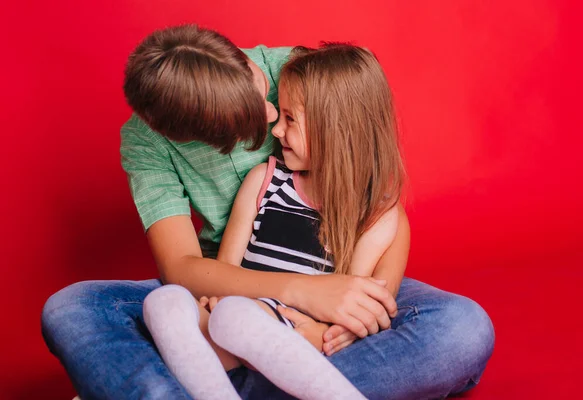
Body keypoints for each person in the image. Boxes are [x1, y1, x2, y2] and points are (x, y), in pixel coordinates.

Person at [41, 25, 495, 400]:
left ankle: (180, 385)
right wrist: (297, 292)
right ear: (194, 133)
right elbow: (181, 268)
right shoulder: (148, 141)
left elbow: (382, 210)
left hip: (336, 271)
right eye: (257, 119)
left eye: (265, 92)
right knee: (70, 309)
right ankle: (262, 376)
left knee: (464, 327)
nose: (273, 113)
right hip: (226, 280)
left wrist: (355, 308)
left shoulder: (299, 73)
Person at [143, 44, 404, 400]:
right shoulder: (264, 180)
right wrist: (214, 301)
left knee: (234, 317)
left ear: (338, 128)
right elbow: (226, 271)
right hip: (236, 311)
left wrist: (330, 331)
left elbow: (357, 296)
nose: (275, 130)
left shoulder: (376, 212)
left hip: (292, 327)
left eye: (289, 118)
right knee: (163, 302)